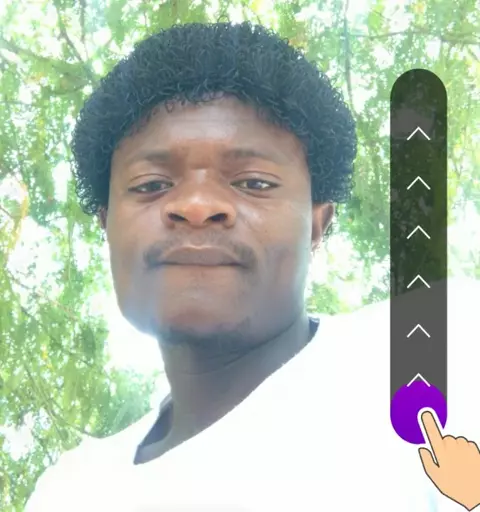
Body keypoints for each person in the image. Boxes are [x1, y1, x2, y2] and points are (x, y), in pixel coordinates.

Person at [25, 21, 480, 512]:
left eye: (254, 183)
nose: (197, 205)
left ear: (316, 225)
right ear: (107, 224)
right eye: (151, 185)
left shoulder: (437, 347)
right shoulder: (70, 493)